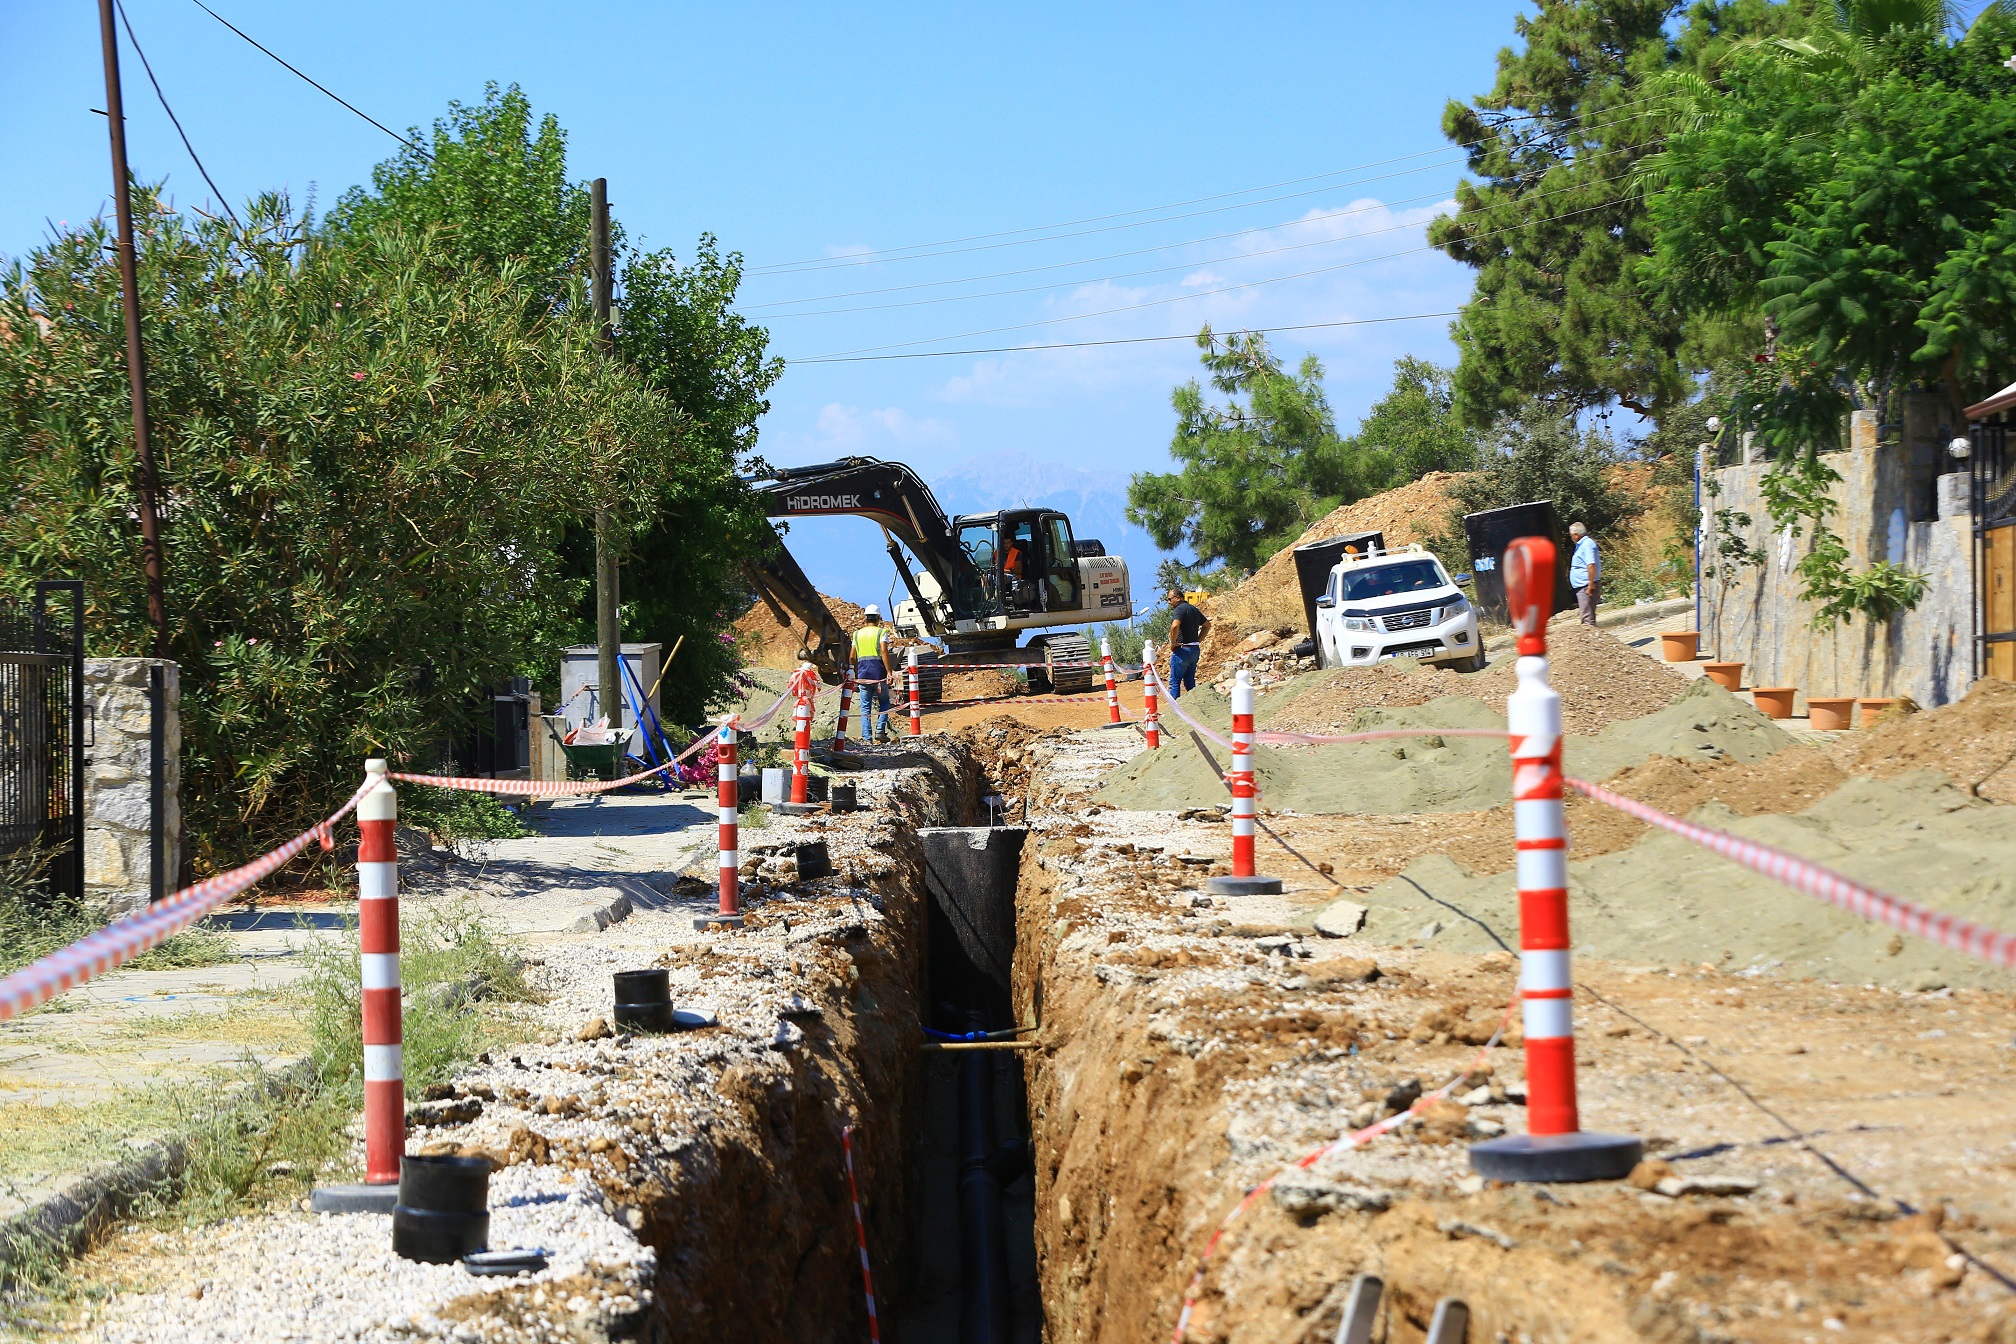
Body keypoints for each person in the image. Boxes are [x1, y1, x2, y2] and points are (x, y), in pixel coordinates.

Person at [853, 606, 894, 741]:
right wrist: (889, 672)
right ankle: (880, 731)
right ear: (878, 618)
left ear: (866, 618)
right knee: (885, 703)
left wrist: (856, 672)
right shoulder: (881, 633)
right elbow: (883, 651)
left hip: (863, 676)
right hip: (878, 675)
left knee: (865, 708)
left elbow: (852, 657)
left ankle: (866, 738)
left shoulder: (857, 634)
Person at [1165, 588, 1208, 698]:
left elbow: (1175, 625)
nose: (1169, 602)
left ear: (1178, 598)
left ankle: (1174, 712)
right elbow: (1207, 625)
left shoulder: (1179, 609)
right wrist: (1198, 640)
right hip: (1194, 650)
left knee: (1175, 683)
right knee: (1190, 682)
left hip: (1182, 651)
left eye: (1170, 599)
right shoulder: (1193, 609)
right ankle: (1195, 707)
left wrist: (1173, 643)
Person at [1568, 521, 1600, 626]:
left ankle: (1592, 640)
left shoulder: (1587, 544)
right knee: (1586, 615)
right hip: (1582, 585)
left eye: (1571, 535)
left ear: (1576, 535)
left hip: (1586, 585)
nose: (1571, 537)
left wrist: (1590, 584)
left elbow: (1591, 564)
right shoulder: (1582, 545)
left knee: (1587, 618)